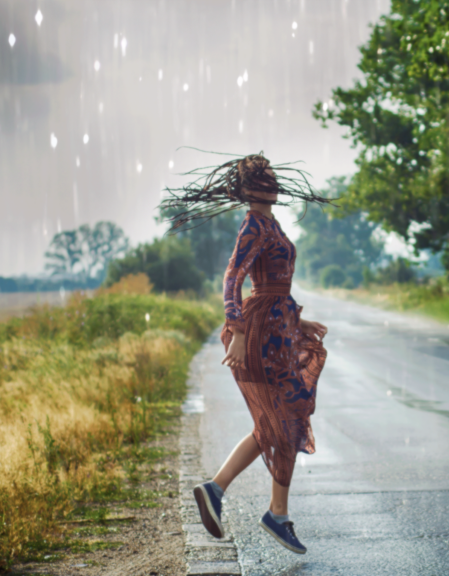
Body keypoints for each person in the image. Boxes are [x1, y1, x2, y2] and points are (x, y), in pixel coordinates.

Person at [160, 153, 330, 554]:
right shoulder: (253, 224)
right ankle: (264, 509)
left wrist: (296, 321)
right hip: (259, 337)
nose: (273, 184)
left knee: (280, 421)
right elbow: (233, 278)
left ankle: (238, 499)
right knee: (281, 419)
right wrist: (236, 331)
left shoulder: (271, 223)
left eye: (273, 177)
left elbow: (273, 286)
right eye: (266, 178)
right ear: (252, 187)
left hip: (277, 329)